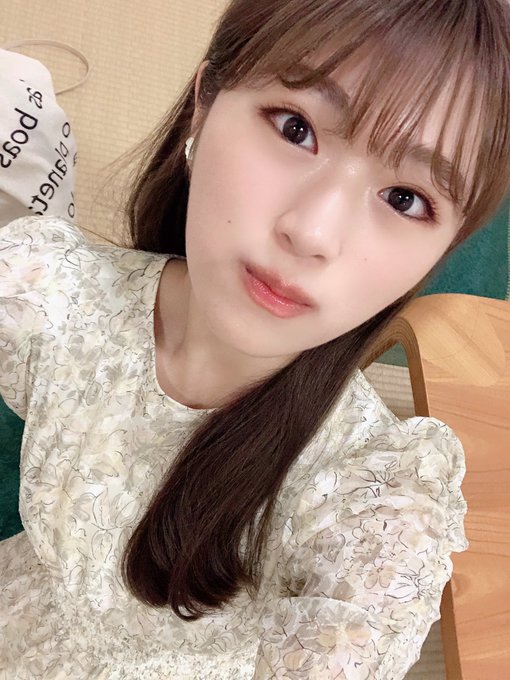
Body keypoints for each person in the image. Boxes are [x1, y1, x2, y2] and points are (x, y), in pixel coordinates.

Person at [0, 0, 509, 677]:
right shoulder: (51, 293)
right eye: (297, 128)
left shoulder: (370, 502)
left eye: (405, 199)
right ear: (203, 105)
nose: (314, 232)